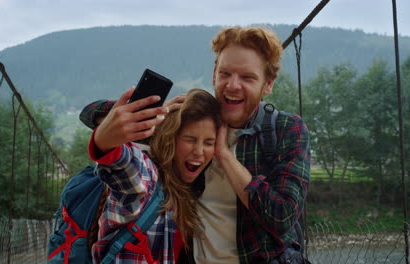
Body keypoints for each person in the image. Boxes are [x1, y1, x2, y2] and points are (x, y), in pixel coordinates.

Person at [81, 25, 311, 264]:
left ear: (268, 84)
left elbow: (281, 217)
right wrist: (161, 114)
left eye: (247, 77)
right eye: (225, 74)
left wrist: (224, 156)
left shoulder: (285, 130)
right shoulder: (191, 124)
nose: (232, 85)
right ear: (214, 74)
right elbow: (89, 113)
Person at [88, 88, 221, 263]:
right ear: (170, 139)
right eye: (190, 139)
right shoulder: (148, 180)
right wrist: (105, 141)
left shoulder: (197, 189)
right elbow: (124, 163)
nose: (199, 151)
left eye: (209, 143)